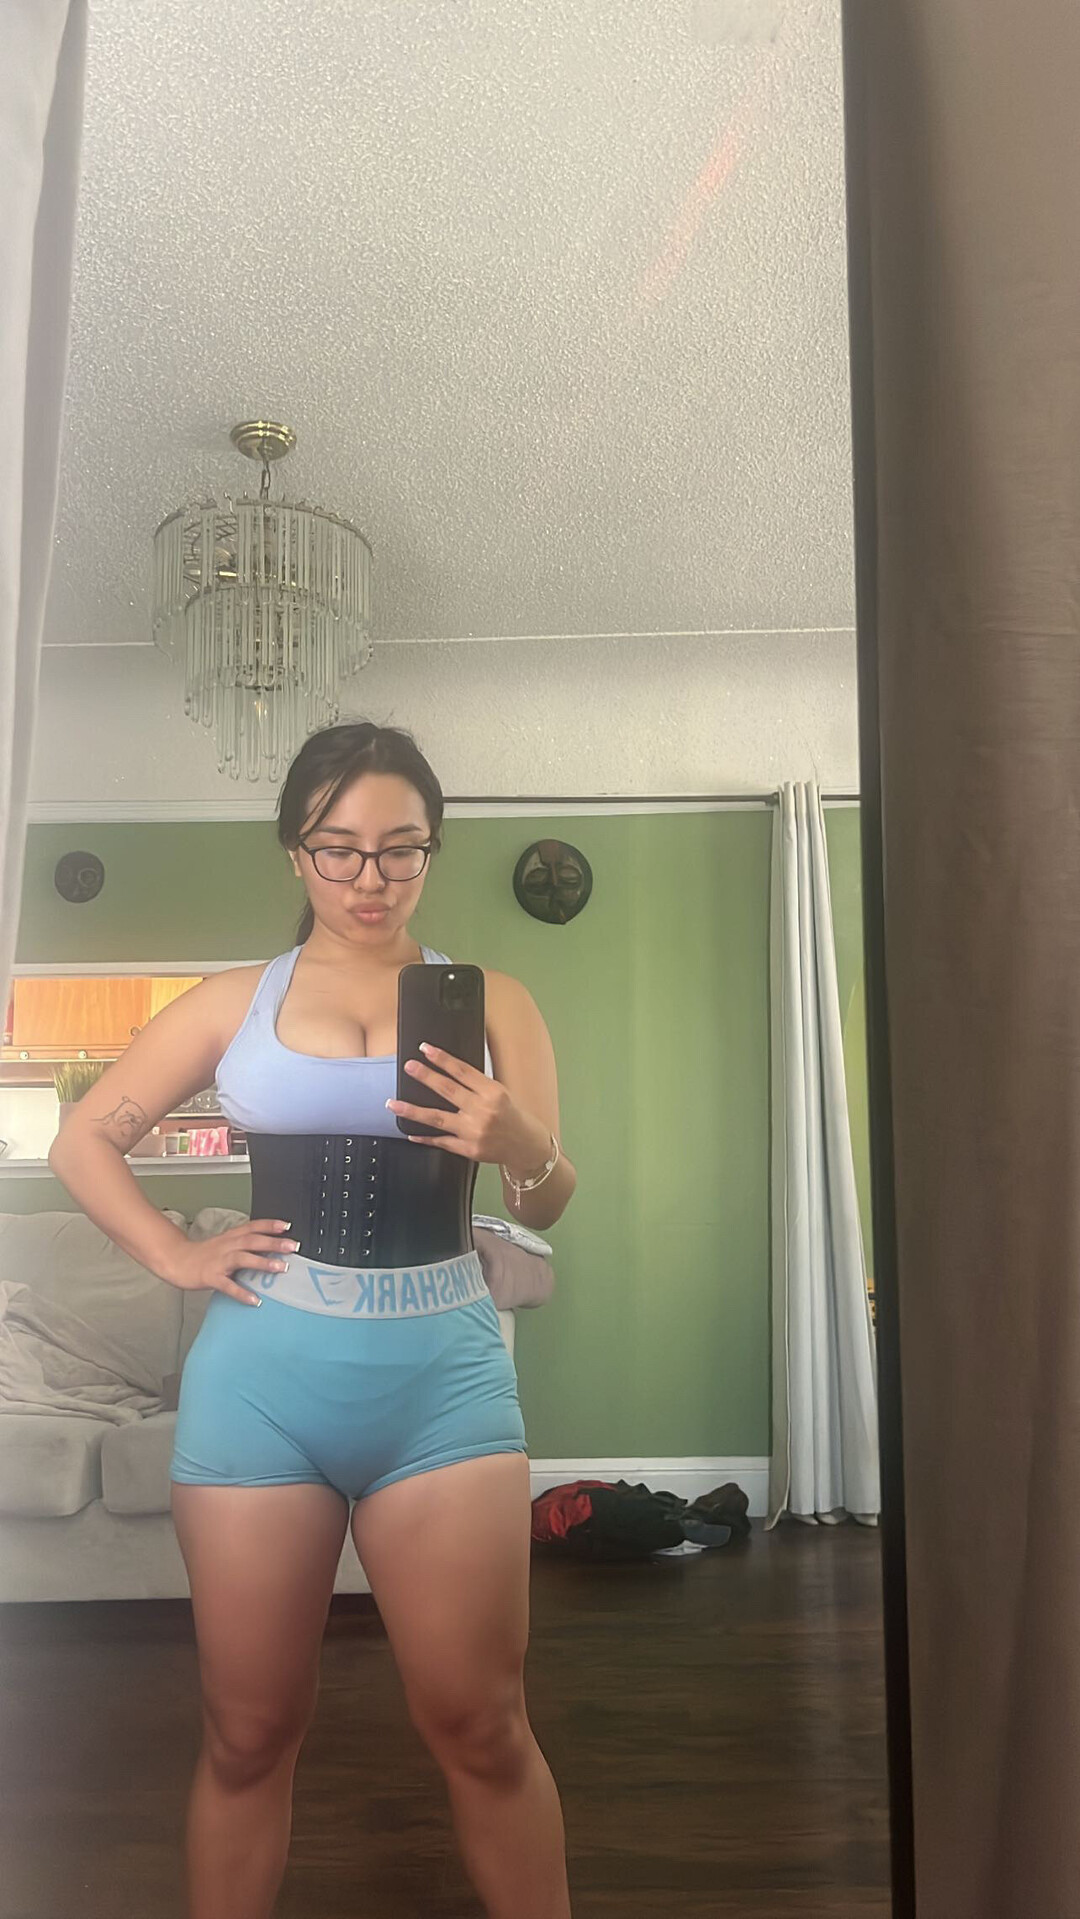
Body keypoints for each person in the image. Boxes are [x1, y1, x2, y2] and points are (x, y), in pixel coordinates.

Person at [48, 720, 577, 1919]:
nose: (368, 877)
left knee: (484, 1725)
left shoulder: (497, 1001)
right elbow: (85, 1139)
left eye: (400, 847)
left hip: (443, 1382)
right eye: (339, 847)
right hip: (261, 1386)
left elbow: (546, 1199)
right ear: (296, 850)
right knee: (246, 1733)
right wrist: (176, 1253)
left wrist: (521, 1141)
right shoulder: (232, 1000)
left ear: (432, 849)